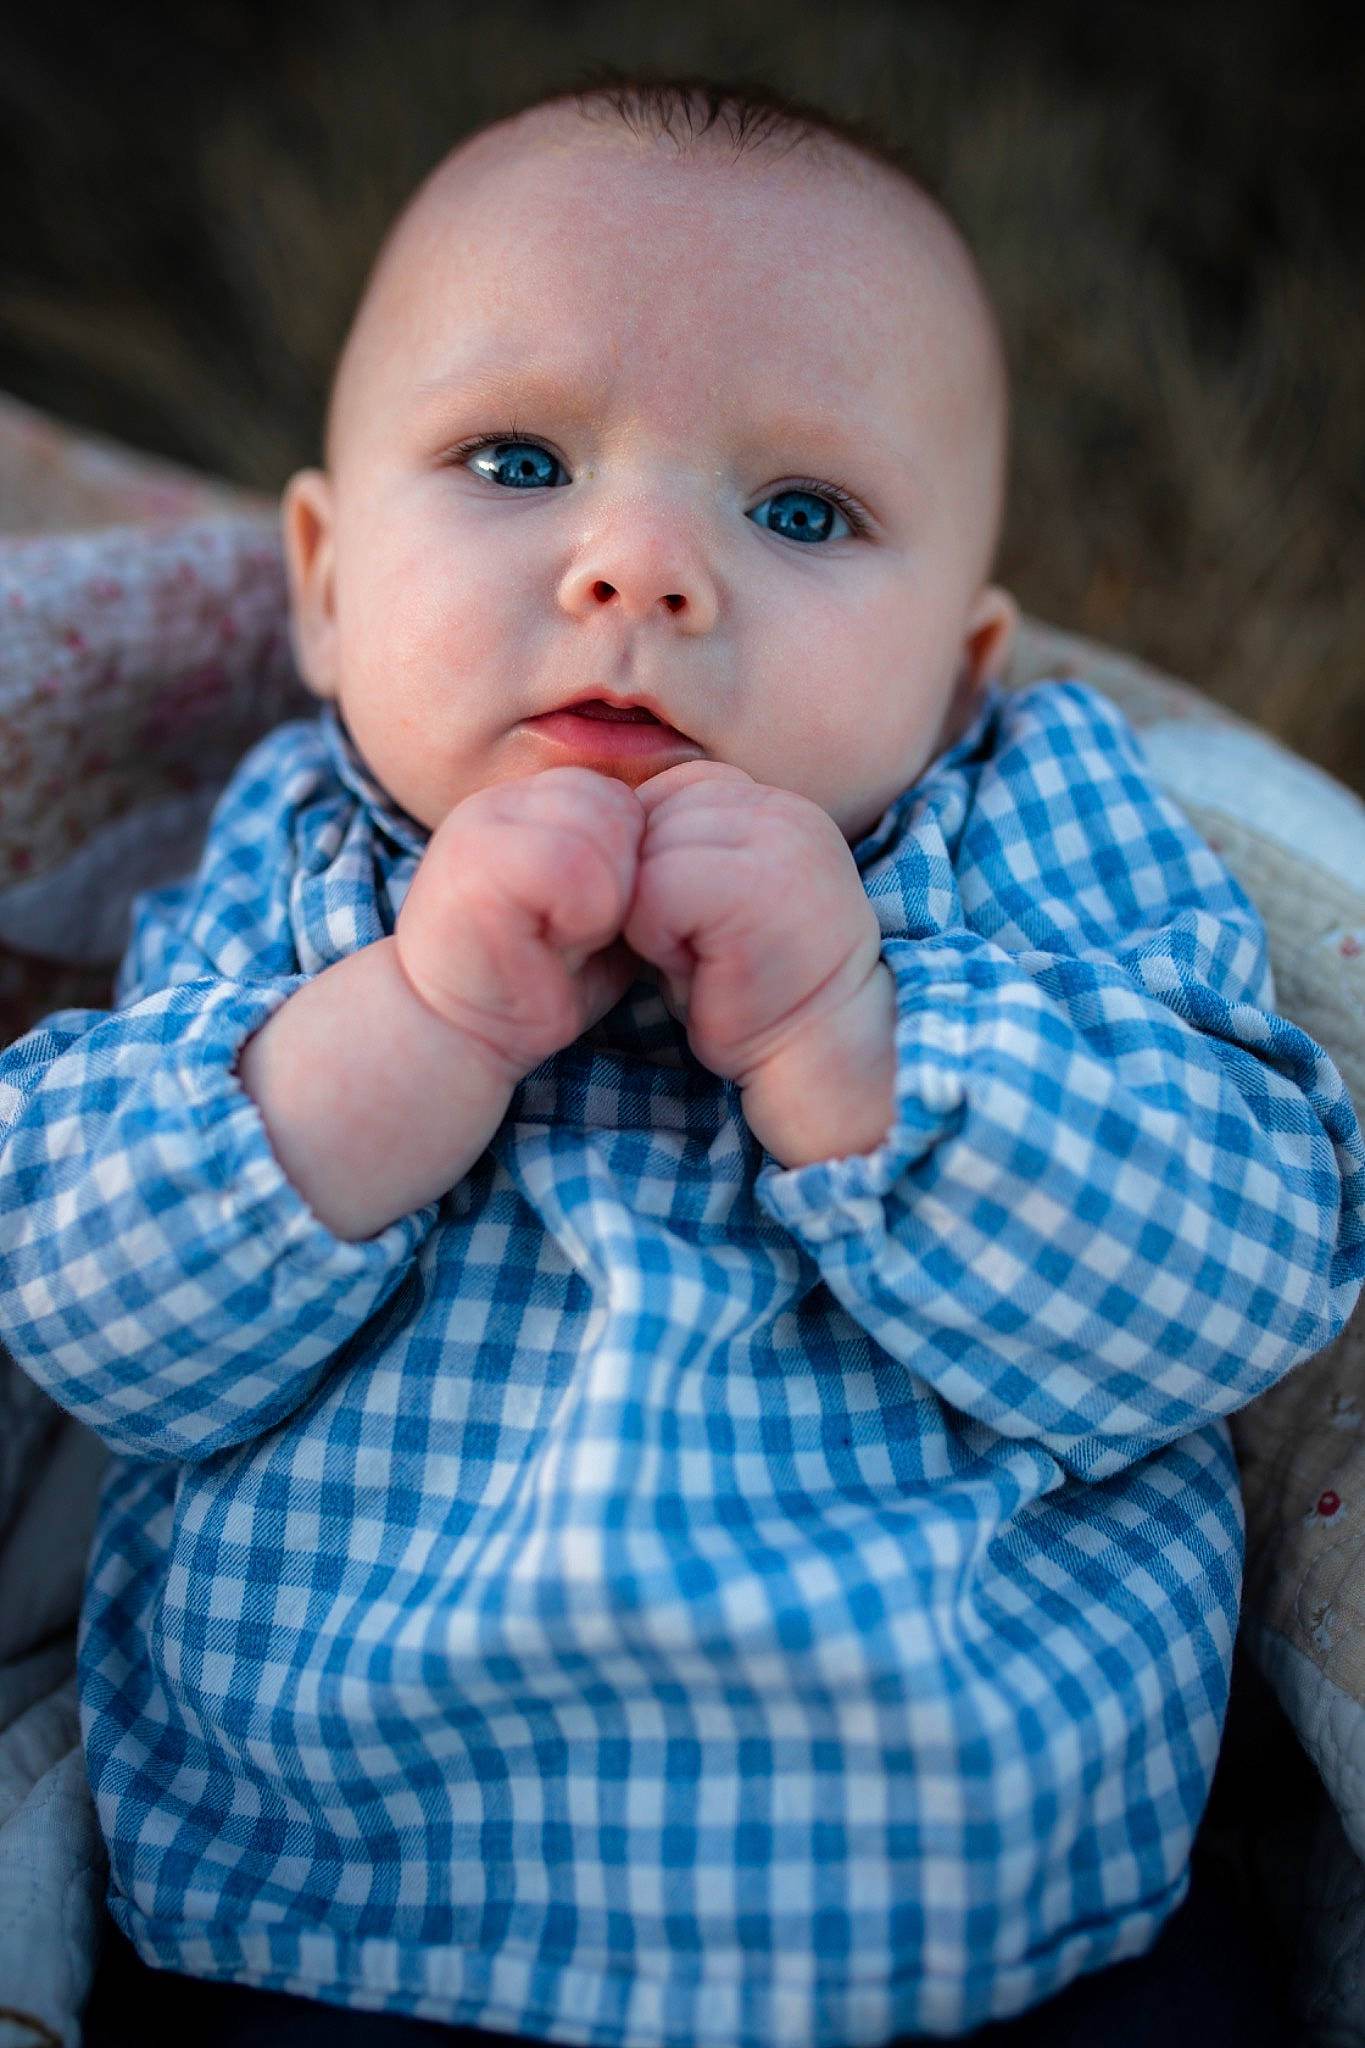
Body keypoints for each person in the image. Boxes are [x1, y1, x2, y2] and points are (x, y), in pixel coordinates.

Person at [2, 79, 1360, 2048]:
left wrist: (849, 1032)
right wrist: (414, 1026)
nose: (636, 567)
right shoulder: (305, 858)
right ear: (318, 580)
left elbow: (1236, 1272)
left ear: (963, 671)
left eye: (799, 510)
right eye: (515, 457)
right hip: (339, 1920)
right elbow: (89, 1301)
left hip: (1003, 1935)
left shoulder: (1025, 831)